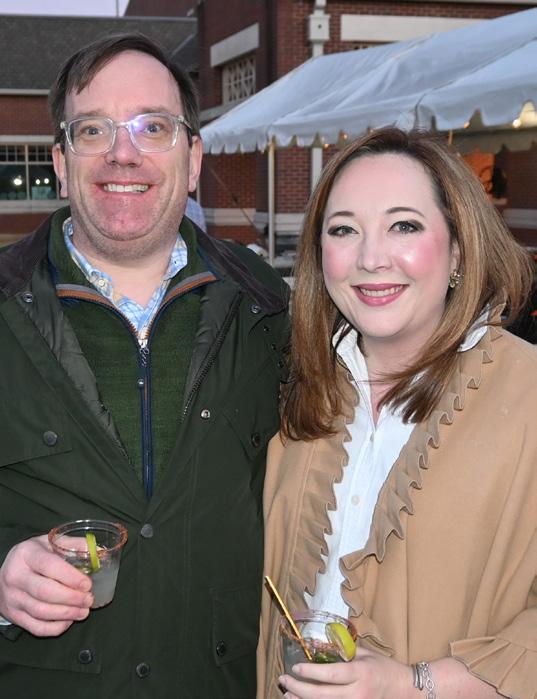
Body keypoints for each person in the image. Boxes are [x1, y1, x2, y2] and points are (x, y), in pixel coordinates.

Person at [0, 33, 289, 698]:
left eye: (152, 127)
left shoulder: (268, 309)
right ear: (62, 162)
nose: (122, 152)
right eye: (93, 129)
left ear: (193, 160)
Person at [257, 128, 537, 699]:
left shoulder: (527, 394)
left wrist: (413, 685)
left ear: (458, 249)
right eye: (344, 230)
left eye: (403, 226)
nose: (370, 258)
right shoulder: (296, 387)